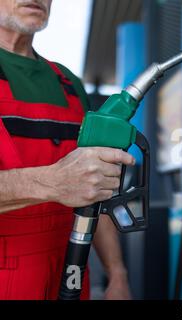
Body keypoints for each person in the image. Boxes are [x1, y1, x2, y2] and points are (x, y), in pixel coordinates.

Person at [0, 0, 132, 300]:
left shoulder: (69, 84)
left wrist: (117, 272)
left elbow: (96, 189)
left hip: (70, 275)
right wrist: (52, 182)